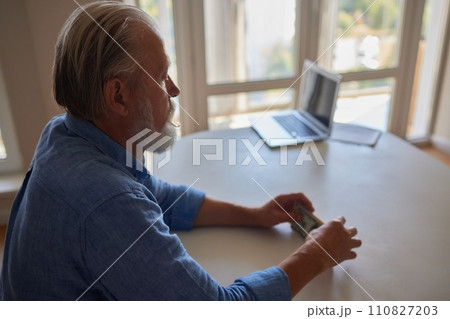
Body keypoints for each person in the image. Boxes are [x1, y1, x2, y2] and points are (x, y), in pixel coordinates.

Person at [0, 1, 361, 300]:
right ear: (118, 96)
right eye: (160, 76)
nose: (172, 89)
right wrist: (315, 255)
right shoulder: (108, 205)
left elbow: (154, 193)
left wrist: (255, 215)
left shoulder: (62, 132)